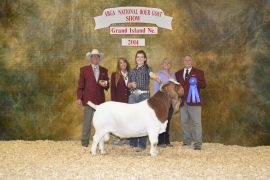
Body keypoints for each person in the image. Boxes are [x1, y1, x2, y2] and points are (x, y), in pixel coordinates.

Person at [128, 50, 160, 151]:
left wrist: (156, 78)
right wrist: (131, 85)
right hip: (133, 95)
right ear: (136, 58)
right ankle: (133, 143)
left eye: (142, 57)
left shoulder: (147, 68)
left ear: (145, 59)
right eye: (138, 57)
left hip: (144, 95)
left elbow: (151, 74)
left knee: (144, 120)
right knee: (132, 118)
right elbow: (128, 85)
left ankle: (142, 145)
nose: (140, 59)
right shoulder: (132, 71)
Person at [77, 49, 109, 147]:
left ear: (99, 58)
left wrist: (105, 84)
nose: (95, 58)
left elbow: (107, 86)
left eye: (97, 56)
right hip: (88, 100)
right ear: (90, 58)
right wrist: (79, 98)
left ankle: (100, 142)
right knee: (87, 122)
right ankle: (84, 142)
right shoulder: (84, 70)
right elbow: (80, 85)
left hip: (100, 102)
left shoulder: (104, 70)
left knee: (100, 123)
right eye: (93, 56)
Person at [175, 55, 206, 150]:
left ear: (192, 61)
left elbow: (204, 85)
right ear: (183, 61)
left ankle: (198, 144)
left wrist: (195, 82)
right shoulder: (178, 73)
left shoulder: (199, 72)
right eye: (185, 60)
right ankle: (186, 142)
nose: (187, 61)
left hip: (194, 102)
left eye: (189, 60)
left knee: (196, 123)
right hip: (183, 102)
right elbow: (176, 87)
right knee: (184, 123)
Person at [153, 58, 176, 147]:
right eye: (165, 62)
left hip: (170, 101)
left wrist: (175, 100)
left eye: (169, 63)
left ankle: (167, 141)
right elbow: (156, 88)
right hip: (161, 101)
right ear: (162, 64)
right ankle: (160, 142)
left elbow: (175, 88)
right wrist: (156, 101)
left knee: (167, 121)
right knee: (161, 121)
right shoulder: (158, 74)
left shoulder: (173, 74)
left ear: (171, 65)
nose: (167, 64)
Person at [110, 58, 131, 145]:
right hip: (118, 101)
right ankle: (117, 139)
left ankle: (126, 138)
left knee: (127, 120)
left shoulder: (131, 74)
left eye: (124, 62)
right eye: (120, 63)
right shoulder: (114, 75)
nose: (122, 64)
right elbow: (112, 89)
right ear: (118, 65)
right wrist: (114, 102)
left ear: (127, 64)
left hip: (129, 101)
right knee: (118, 120)